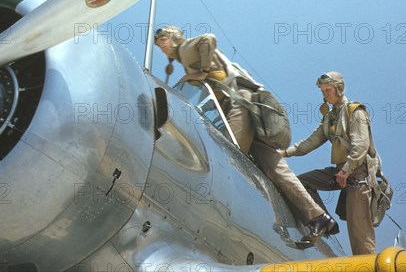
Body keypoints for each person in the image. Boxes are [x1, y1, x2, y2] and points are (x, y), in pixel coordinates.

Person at [154, 26, 336, 243]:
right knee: (275, 168)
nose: (162, 46)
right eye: (158, 44)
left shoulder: (185, 49)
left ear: (174, 38)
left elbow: (208, 39)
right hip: (249, 109)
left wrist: (200, 71)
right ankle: (318, 217)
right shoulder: (185, 57)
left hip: (239, 107)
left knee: (225, 157)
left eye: (163, 40)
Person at [281, 72, 377, 255]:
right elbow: (310, 142)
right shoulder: (330, 118)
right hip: (341, 173)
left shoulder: (355, 111)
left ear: (339, 88)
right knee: (301, 183)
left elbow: (361, 145)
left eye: (328, 89)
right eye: (322, 91)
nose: (325, 94)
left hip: (358, 177)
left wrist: (346, 170)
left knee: (360, 239)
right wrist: (285, 153)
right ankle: (323, 220)